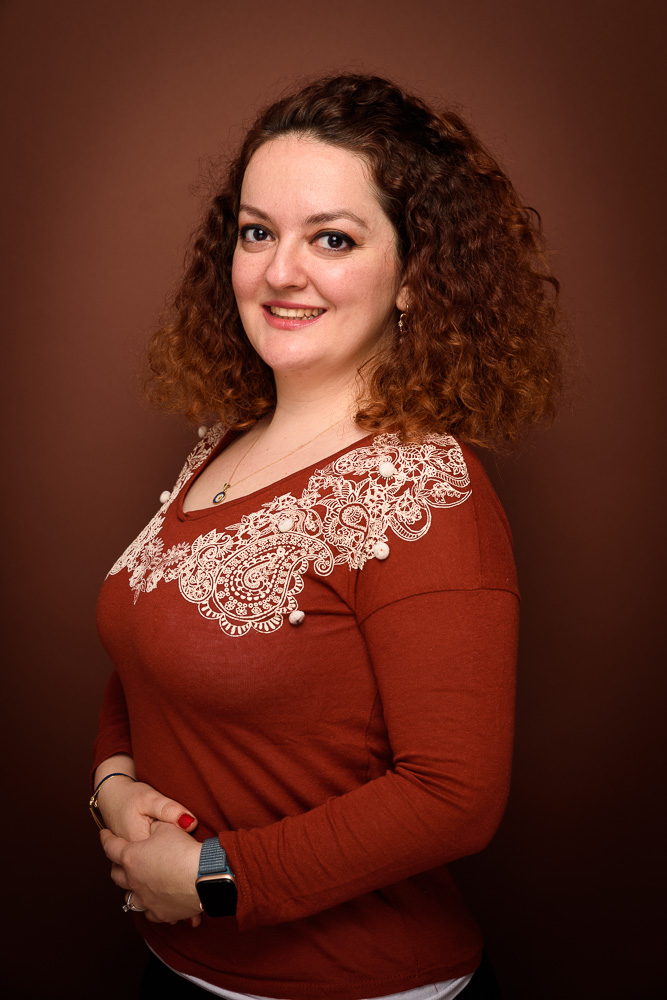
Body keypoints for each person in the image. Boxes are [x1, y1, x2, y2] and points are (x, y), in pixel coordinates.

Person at [91, 73, 564, 999]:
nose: (279, 272)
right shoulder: (223, 443)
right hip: (177, 970)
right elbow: (149, 643)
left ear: (415, 275)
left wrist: (216, 878)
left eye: (332, 239)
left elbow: (454, 796)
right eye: (257, 232)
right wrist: (110, 782)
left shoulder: (423, 491)